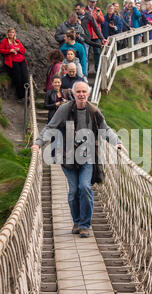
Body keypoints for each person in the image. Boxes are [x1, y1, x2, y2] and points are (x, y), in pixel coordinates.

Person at [31, 81, 123, 238]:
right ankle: (77, 220)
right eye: (78, 91)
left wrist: (117, 142)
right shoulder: (64, 109)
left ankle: (84, 225)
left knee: (85, 187)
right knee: (73, 191)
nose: (81, 94)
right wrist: (38, 144)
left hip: (88, 156)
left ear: (88, 94)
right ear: (73, 94)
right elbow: (50, 127)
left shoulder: (94, 111)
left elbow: (105, 129)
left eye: (84, 92)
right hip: (68, 158)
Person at [0, 28, 29, 100]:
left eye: (12, 32)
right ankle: (21, 96)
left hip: (21, 60)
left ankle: (28, 95)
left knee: (25, 76)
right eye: (10, 32)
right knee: (18, 78)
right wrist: (9, 50)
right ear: (7, 33)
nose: (11, 34)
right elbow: (0, 50)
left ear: (14, 34)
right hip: (13, 60)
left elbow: (23, 51)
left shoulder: (17, 41)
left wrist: (19, 49)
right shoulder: (5, 41)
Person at [75, 2, 106, 72]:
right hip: (76, 39)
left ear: (82, 8)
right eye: (76, 9)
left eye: (78, 9)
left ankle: (87, 73)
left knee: (87, 56)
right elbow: (69, 25)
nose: (77, 11)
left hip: (86, 39)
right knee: (78, 57)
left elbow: (97, 26)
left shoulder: (90, 14)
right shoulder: (74, 16)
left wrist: (102, 38)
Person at [86, 0, 105, 72]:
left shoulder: (98, 10)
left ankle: (98, 69)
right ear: (88, 2)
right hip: (87, 34)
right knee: (86, 52)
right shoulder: (85, 10)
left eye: (94, 2)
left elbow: (102, 21)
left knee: (97, 52)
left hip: (96, 34)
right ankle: (86, 69)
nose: (93, 3)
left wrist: (98, 15)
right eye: (91, 1)